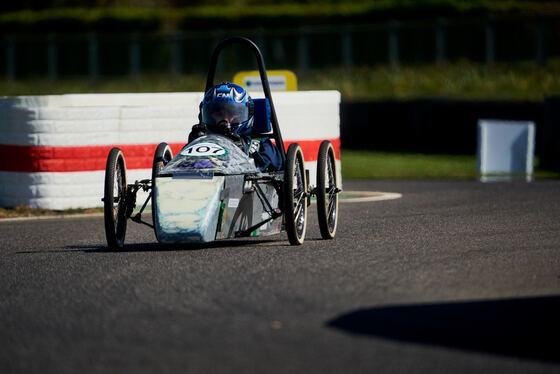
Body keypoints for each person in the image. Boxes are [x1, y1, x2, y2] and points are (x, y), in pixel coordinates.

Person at [188, 82, 283, 172]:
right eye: (219, 114)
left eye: (231, 113)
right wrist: (193, 145)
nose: (225, 120)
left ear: (246, 113)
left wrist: (243, 154)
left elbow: (276, 165)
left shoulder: (259, 143)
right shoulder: (203, 139)